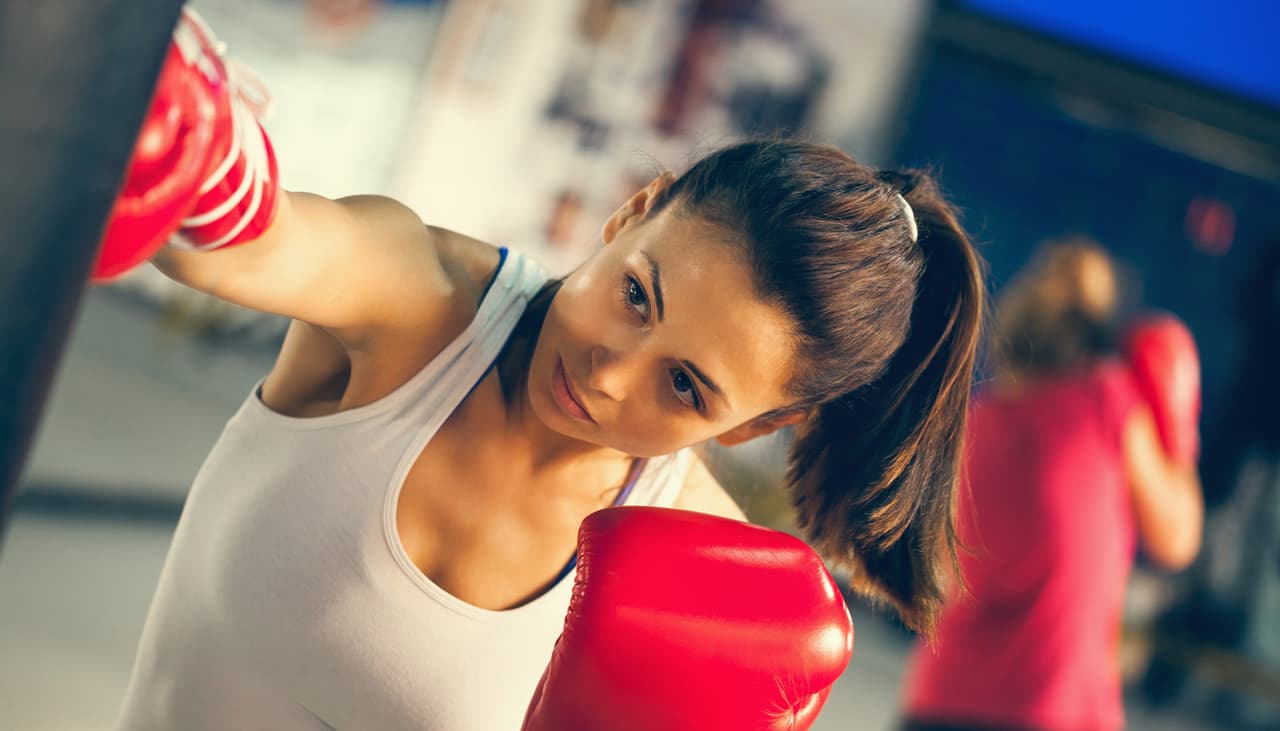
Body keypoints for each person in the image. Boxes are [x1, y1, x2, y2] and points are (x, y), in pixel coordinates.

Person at [109, 9, 984, 729]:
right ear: (631, 214)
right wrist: (184, 125)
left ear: (749, 428)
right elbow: (252, 245)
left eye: (685, 386)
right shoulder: (421, 305)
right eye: (638, 295)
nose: (610, 376)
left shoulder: (711, 583)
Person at [900, 238, 1205, 731]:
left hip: (940, 698)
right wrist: (1179, 434)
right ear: (1097, 337)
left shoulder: (975, 424)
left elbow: (939, 568)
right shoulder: (1108, 403)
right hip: (1048, 706)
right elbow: (1177, 539)